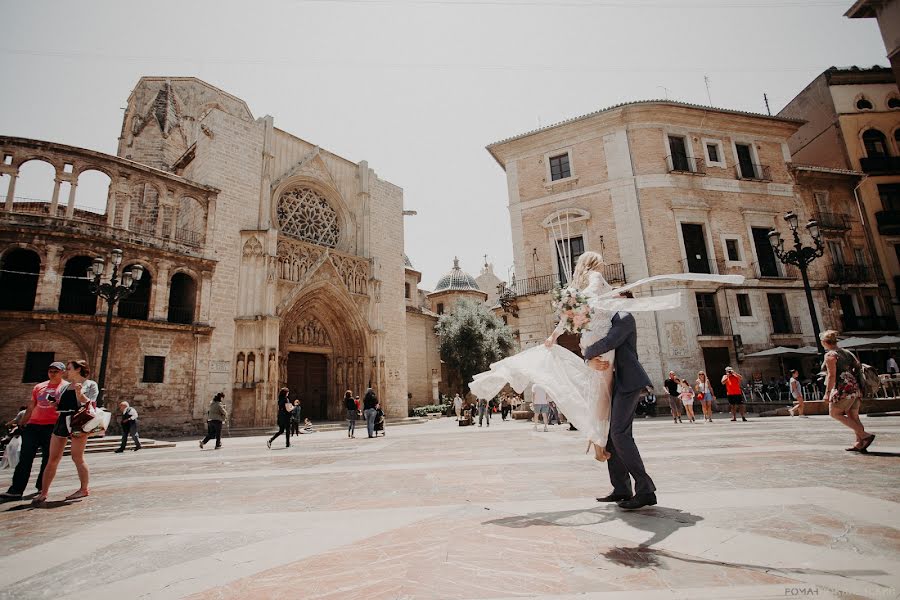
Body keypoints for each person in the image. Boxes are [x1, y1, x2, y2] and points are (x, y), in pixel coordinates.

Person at [585, 308, 657, 510]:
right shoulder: (607, 320)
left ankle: (645, 490)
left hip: (629, 382)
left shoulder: (624, 317)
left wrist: (586, 353)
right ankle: (621, 488)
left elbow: (610, 342)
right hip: (613, 383)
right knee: (611, 436)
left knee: (619, 434)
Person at [35, 359, 100, 505]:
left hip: (78, 422)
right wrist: (54, 404)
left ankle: (83, 489)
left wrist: (79, 393)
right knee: (52, 459)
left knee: (77, 457)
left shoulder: (90, 384)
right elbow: (61, 404)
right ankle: (43, 492)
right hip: (62, 421)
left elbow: (91, 405)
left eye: (69, 368)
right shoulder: (65, 387)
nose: (66, 371)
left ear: (78, 369)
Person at [1, 361, 67, 502]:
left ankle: (42, 488)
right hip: (33, 426)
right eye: (50, 370)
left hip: (53, 427)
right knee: (25, 458)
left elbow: (67, 408)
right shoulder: (39, 386)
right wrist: (22, 423)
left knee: (48, 460)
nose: (52, 373)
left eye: (56, 371)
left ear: (62, 372)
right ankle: (16, 490)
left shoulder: (65, 388)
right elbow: (31, 406)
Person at [820, 330, 876, 453]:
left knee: (834, 413)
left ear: (824, 342)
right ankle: (859, 443)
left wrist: (827, 393)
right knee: (853, 416)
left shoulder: (830, 355)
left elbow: (832, 375)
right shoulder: (847, 352)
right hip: (855, 387)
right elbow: (857, 367)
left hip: (843, 388)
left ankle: (865, 435)